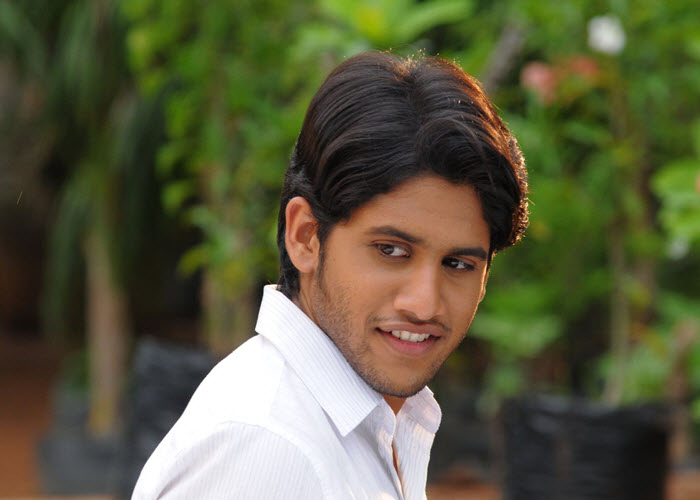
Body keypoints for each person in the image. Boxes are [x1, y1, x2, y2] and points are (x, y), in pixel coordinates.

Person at [132, 51, 528, 500]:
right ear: (305, 236)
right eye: (391, 251)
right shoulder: (271, 448)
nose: (424, 305)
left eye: (458, 264)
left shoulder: (364, 426)